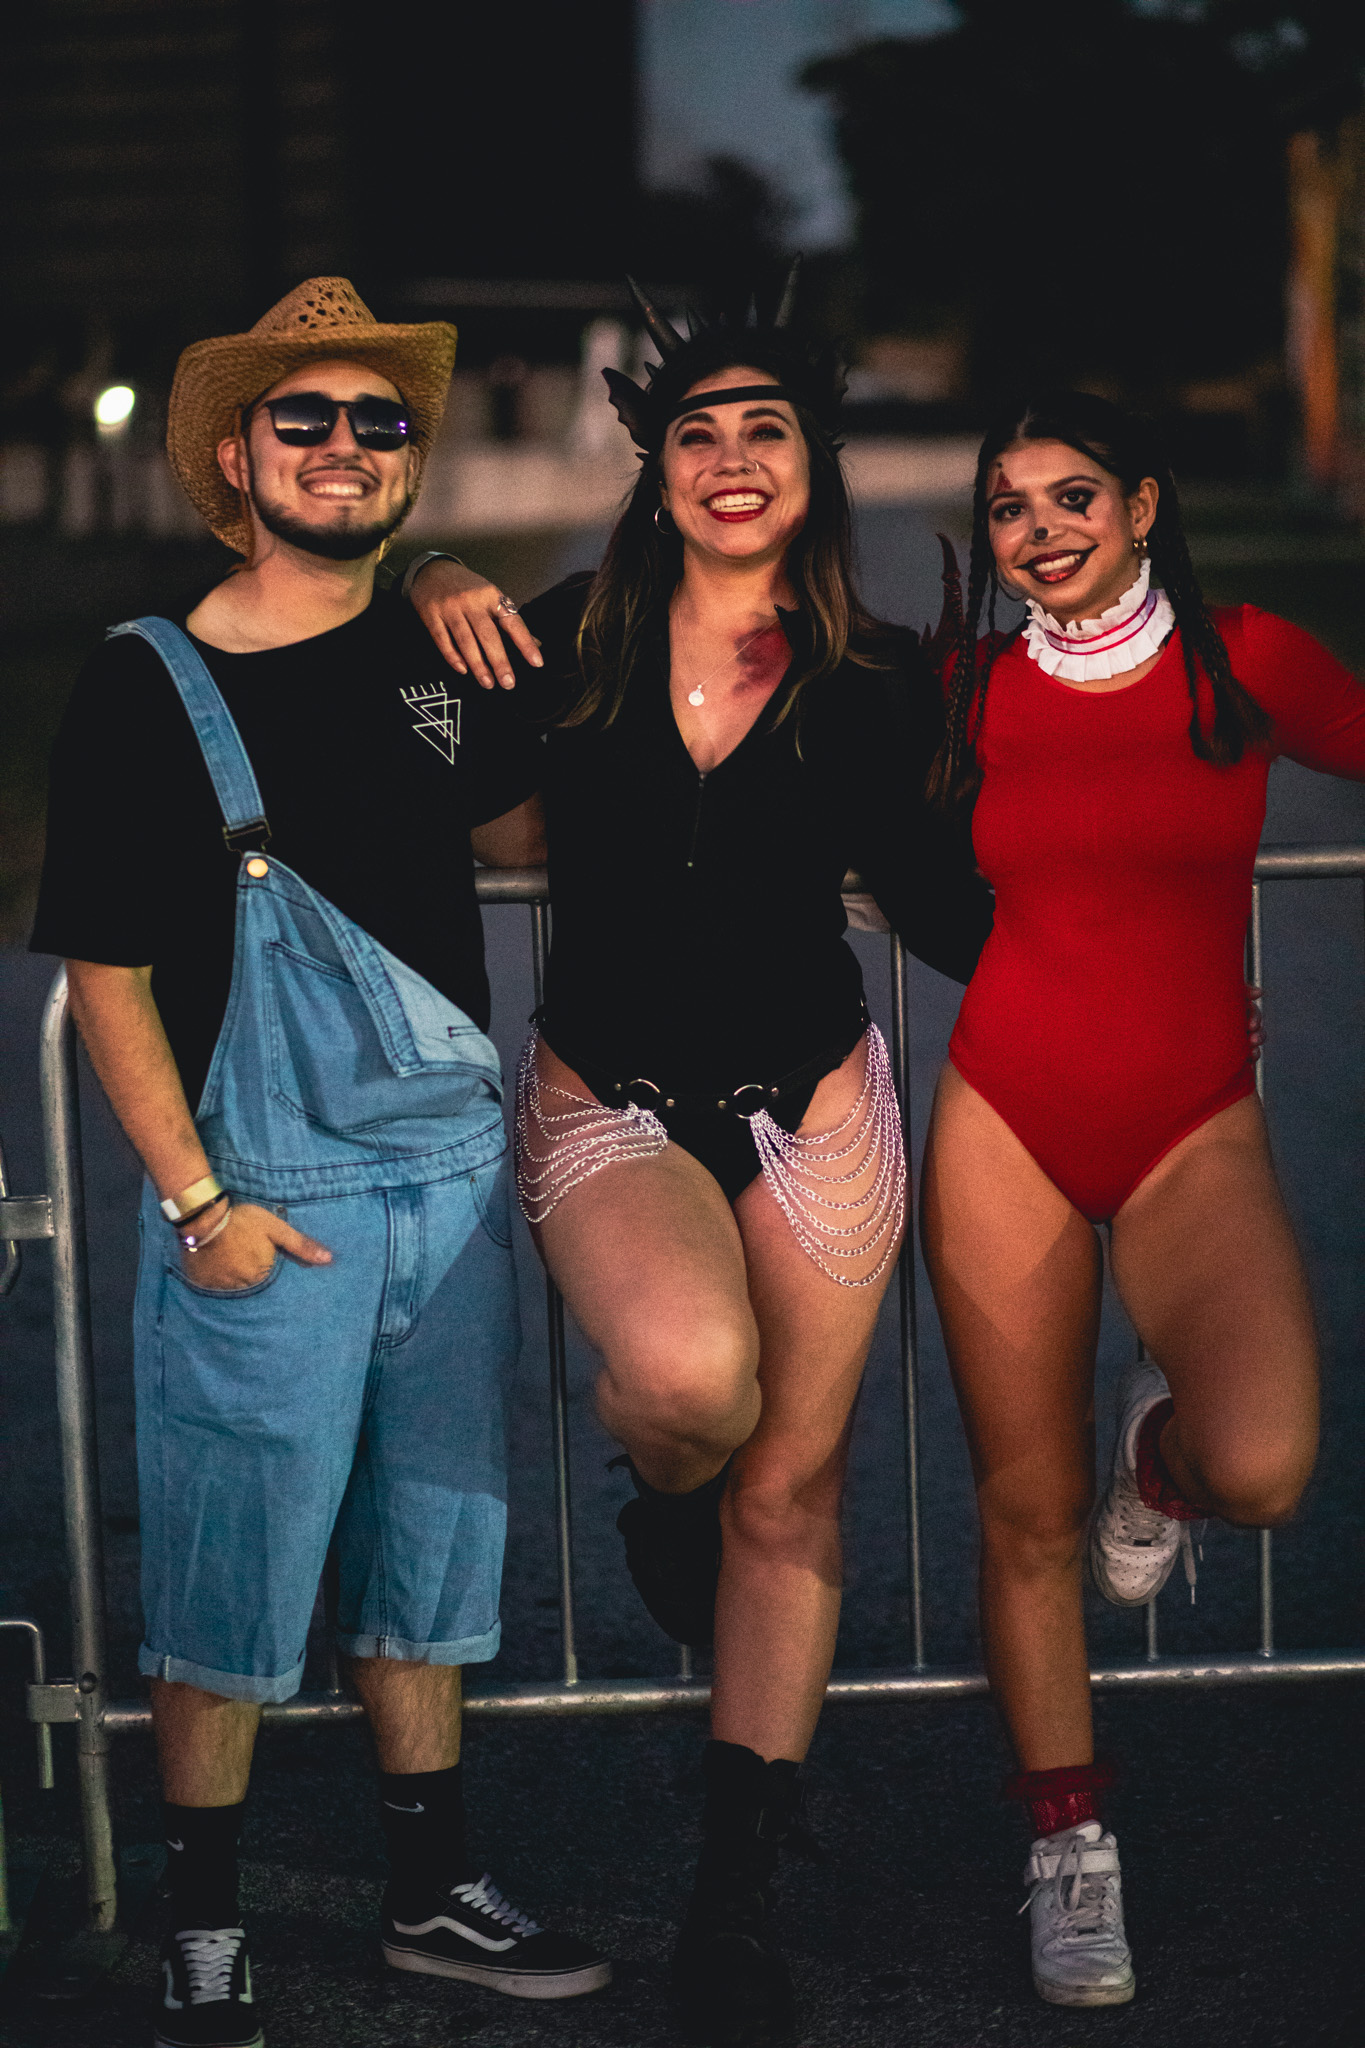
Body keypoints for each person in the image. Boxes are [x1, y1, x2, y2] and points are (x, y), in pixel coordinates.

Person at [404, 271, 995, 2047]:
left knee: (791, 1498)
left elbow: (951, 912)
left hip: (812, 1104)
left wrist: (1117, 892)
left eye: (764, 431)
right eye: (696, 434)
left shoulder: (874, 678)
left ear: (812, 464)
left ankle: (731, 1897)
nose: (731, 458)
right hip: (615, 1095)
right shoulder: (570, 635)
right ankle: (665, 1497)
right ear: (655, 469)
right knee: (687, 1385)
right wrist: (424, 589)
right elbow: (414, 757)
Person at [29, 277, 609, 2048]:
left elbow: (518, 827)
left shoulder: (436, 653)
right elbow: (106, 972)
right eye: (306, 419)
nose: (344, 445)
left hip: (447, 1194)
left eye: (377, 422)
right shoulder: (147, 683)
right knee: (229, 1572)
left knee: (434, 1554)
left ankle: (429, 1890)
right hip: (266, 1210)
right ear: (236, 454)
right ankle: (204, 1918)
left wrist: (469, 601)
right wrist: (199, 1205)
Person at [916, 391, 1365, 2008]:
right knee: (1025, 1513)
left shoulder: (1242, 660)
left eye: (1072, 496)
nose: (1040, 529)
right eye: (1010, 506)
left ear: (1143, 505)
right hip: (1006, 1117)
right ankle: (1067, 1846)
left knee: (1260, 1465)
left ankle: (1155, 1461)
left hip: (1191, 1125)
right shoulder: (962, 688)